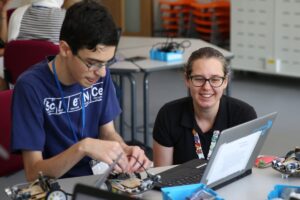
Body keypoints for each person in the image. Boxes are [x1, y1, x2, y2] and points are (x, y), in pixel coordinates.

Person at [11, 0, 151, 181]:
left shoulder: (100, 74)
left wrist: (123, 150)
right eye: (91, 63)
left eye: (107, 62)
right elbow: (33, 173)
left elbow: (107, 132)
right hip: (57, 185)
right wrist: (83, 147)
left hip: (100, 178)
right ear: (65, 49)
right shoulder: (31, 87)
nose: (101, 72)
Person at [152, 47, 257, 166]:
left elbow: (244, 171)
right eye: (198, 79)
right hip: (179, 185)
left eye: (215, 79)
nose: (207, 87)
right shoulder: (168, 115)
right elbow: (163, 175)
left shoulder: (243, 116)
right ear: (187, 80)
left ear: (225, 81)